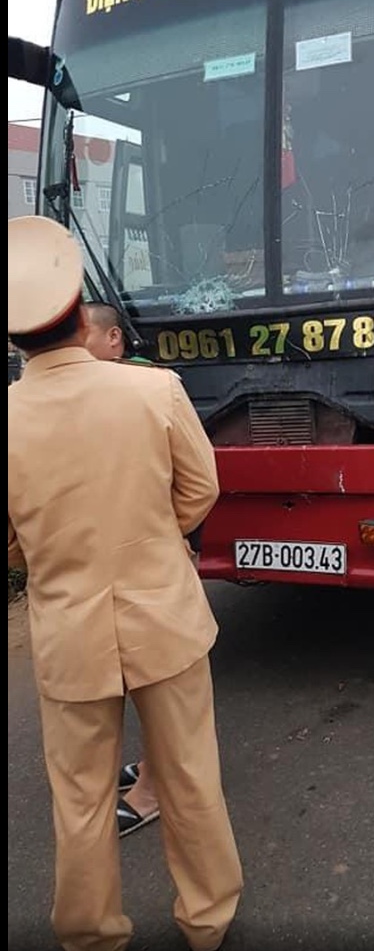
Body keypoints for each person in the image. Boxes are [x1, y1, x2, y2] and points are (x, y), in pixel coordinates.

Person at [8, 215, 243, 951]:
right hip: (165, 616)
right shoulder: (155, 391)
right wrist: (154, 538)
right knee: (190, 776)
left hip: (68, 634)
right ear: (82, 316)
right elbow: (200, 489)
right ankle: (207, 921)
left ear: (14, 341)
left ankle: (91, 935)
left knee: (79, 799)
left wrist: (42, 554)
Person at [84, 301, 172, 837]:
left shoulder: (151, 386)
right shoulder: (83, 395)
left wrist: (171, 542)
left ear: (114, 339)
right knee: (130, 680)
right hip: (112, 573)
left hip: (147, 569)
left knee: (153, 684)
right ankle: (149, 767)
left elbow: (194, 484)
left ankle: (155, 788)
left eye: (85, 338)